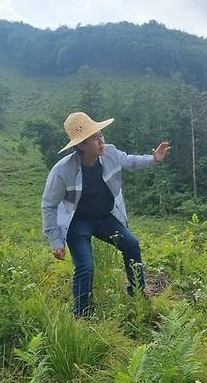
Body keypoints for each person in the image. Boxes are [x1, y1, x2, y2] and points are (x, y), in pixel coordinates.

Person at [42, 112, 170, 317]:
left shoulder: (109, 153)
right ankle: (82, 314)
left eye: (101, 135)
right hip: (77, 223)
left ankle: (137, 291)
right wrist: (55, 240)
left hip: (104, 218)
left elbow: (129, 161)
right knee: (85, 266)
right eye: (95, 138)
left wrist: (153, 159)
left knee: (131, 244)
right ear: (81, 145)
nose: (101, 141)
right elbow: (49, 205)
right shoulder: (62, 171)